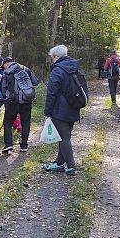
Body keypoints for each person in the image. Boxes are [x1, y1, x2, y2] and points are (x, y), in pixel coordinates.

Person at [42, 45, 82, 176]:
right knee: (64, 137)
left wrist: (47, 112)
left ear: (56, 57)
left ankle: (71, 167)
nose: (52, 60)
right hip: (74, 107)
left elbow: (51, 93)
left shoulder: (57, 70)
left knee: (64, 138)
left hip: (60, 110)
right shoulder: (74, 67)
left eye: (52, 57)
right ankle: (59, 163)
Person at [0, 57, 39, 153]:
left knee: (8, 122)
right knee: (25, 122)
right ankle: (24, 146)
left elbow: (3, 88)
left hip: (12, 101)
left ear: (6, 64)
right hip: (26, 100)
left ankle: (8, 145)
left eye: (3, 66)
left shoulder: (7, 72)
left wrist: (6, 97)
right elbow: (35, 82)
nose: (3, 68)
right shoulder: (25, 69)